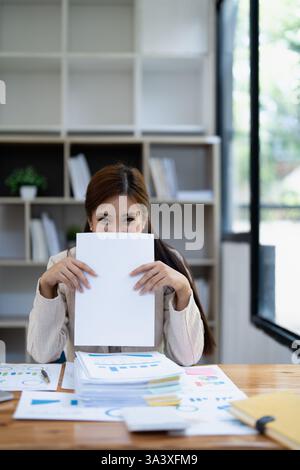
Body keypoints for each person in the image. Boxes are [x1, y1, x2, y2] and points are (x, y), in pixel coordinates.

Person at [27, 163, 215, 366]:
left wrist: (183, 289)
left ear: (143, 221)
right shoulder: (62, 265)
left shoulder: (167, 265)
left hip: (145, 382)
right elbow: (42, 354)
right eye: (103, 218)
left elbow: (187, 358)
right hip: (87, 386)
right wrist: (46, 286)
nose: (116, 230)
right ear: (90, 221)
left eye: (129, 219)